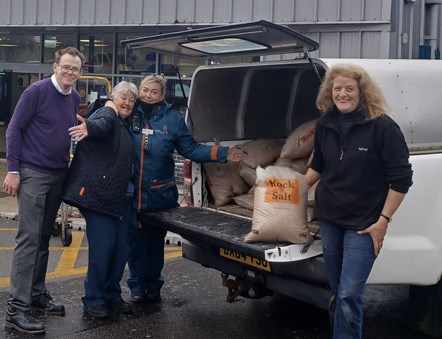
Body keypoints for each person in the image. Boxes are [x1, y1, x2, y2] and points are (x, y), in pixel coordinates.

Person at [305, 63, 413, 339]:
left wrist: (383, 221)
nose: (343, 94)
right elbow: (318, 163)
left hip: (364, 224)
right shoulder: (325, 123)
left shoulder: (382, 127)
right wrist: (285, 189)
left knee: (350, 293)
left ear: (362, 92)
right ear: (330, 92)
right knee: (337, 290)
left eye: (349, 88)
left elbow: (401, 180)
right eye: (337, 88)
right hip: (330, 218)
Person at [126, 75, 244, 303]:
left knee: (155, 244)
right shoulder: (130, 113)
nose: (147, 95)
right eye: (144, 90)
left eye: (153, 91)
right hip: (134, 194)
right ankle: (137, 287)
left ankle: (154, 286)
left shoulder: (173, 120)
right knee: (136, 245)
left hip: (160, 195)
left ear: (162, 95)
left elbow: (190, 149)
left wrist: (221, 153)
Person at [2, 47, 85, 335]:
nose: (70, 73)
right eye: (66, 67)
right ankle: (16, 310)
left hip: (58, 174)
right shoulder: (35, 92)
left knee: (42, 240)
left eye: (75, 69)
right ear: (55, 66)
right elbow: (14, 130)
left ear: (80, 72)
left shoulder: (74, 97)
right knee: (28, 240)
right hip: (33, 173)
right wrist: (13, 170)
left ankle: (36, 295)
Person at [62, 81, 138, 319]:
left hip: (122, 199)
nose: (126, 102)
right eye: (122, 98)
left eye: (131, 100)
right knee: (103, 250)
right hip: (101, 197)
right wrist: (90, 128)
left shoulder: (126, 122)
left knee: (121, 250)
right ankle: (93, 298)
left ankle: (112, 294)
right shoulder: (109, 113)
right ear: (113, 97)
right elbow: (101, 126)